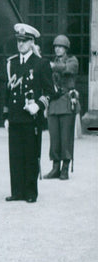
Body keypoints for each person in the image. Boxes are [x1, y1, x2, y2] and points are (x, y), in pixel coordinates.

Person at [4, 23, 54, 204]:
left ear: (32, 42)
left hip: (31, 118)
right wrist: (6, 116)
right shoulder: (12, 63)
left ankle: (31, 191)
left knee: (31, 154)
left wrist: (39, 105)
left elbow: (51, 91)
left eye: (24, 41)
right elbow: (7, 92)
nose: (21, 45)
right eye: (18, 41)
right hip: (16, 117)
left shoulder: (41, 63)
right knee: (15, 154)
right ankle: (17, 191)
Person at [45, 34, 79, 181]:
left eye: (61, 47)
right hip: (53, 102)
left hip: (66, 102)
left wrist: (52, 66)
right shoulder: (52, 62)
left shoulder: (72, 60)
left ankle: (65, 168)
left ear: (66, 48)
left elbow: (67, 69)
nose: (58, 49)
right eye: (56, 47)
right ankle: (55, 167)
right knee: (54, 137)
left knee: (66, 137)